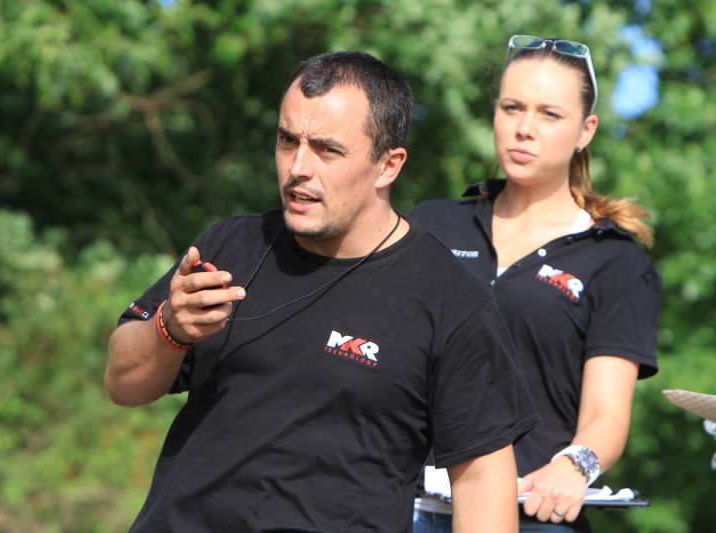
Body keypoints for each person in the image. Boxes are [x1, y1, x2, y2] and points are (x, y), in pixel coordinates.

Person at [105, 50, 539, 532]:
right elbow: (122, 385)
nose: (298, 167)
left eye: (327, 150)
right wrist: (169, 329)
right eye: (287, 140)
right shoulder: (229, 246)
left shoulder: (451, 300)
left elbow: (482, 481)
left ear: (388, 165)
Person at [410, 35, 662, 532]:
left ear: (585, 130)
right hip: (406, 511)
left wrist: (575, 466)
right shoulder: (430, 225)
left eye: (549, 114)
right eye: (512, 107)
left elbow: (606, 415)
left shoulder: (615, 259)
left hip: (532, 516)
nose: (524, 128)